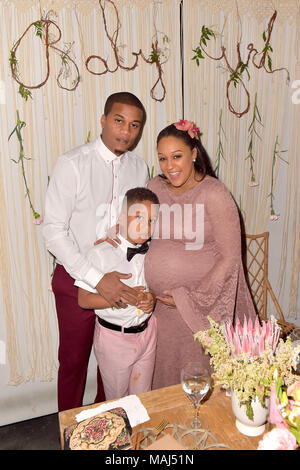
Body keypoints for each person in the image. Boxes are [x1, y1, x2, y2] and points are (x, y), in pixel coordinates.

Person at [43, 92, 149, 411]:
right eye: (119, 121)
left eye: (134, 125)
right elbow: (53, 231)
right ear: (103, 120)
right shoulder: (72, 163)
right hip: (75, 277)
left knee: (112, 362)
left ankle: (107, 433)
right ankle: (71, 435)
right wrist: (96, 277)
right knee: (74, 363)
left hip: (121, 276)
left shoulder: (139, 168)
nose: (126, 132)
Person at [144, 120, 257, 390]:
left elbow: (230, 259)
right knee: (163, 380)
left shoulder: (215, 193)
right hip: (159, 311)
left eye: (177, 156)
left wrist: (188, 300)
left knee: (194, 382)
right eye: (162, 158)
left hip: (197, 313)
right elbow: (139, 232)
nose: (169, 166)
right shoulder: (155, 187)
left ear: (194, 153)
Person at [75, 187, 159, 400]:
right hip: (115, 339)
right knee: (118, 402)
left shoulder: (152, 252)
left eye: (151, 220)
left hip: (147, 333)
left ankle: (141, 434)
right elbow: (84, 300)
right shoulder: (99, 254)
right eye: (139, 217)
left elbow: (154, 286)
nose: (145, 227)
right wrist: (116, 298)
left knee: (144, 399)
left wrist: (152, 299)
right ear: (122, 218)